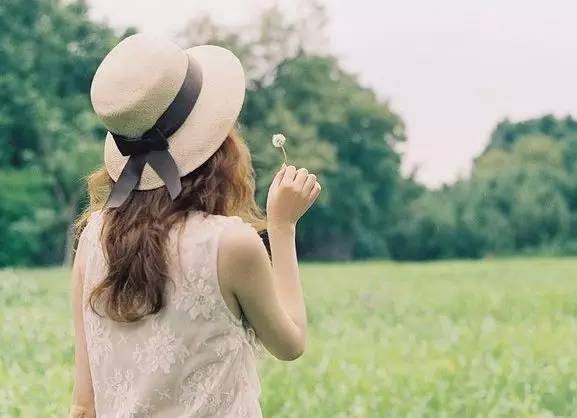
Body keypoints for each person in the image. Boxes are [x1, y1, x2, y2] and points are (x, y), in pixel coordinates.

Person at [69, 33, 321, 418]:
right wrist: (282, 226)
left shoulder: (93, 237)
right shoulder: (228, 244)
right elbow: (291, 343)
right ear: (218, 143)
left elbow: (83, 405)